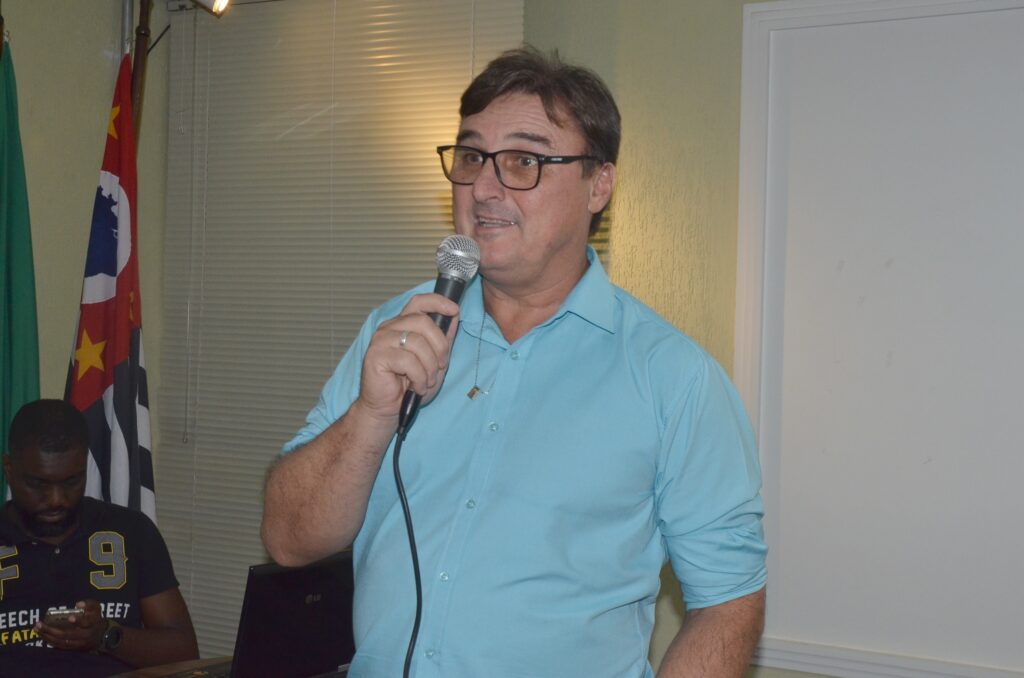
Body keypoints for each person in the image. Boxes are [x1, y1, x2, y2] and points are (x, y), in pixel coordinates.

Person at [262, 46, 767, 677]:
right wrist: (371, 413)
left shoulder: (672, 377)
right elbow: (289, 539)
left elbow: (728, 601)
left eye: (524, 161)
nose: (483, 187)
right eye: (472, 156)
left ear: (599, 185)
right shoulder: (397, 333)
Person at [0, 399, 198, 669]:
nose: (56, 499)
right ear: (9, 469)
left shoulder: (131, 531)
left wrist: (106, 635)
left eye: (71, 481)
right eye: (38, 484)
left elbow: (184, 653)